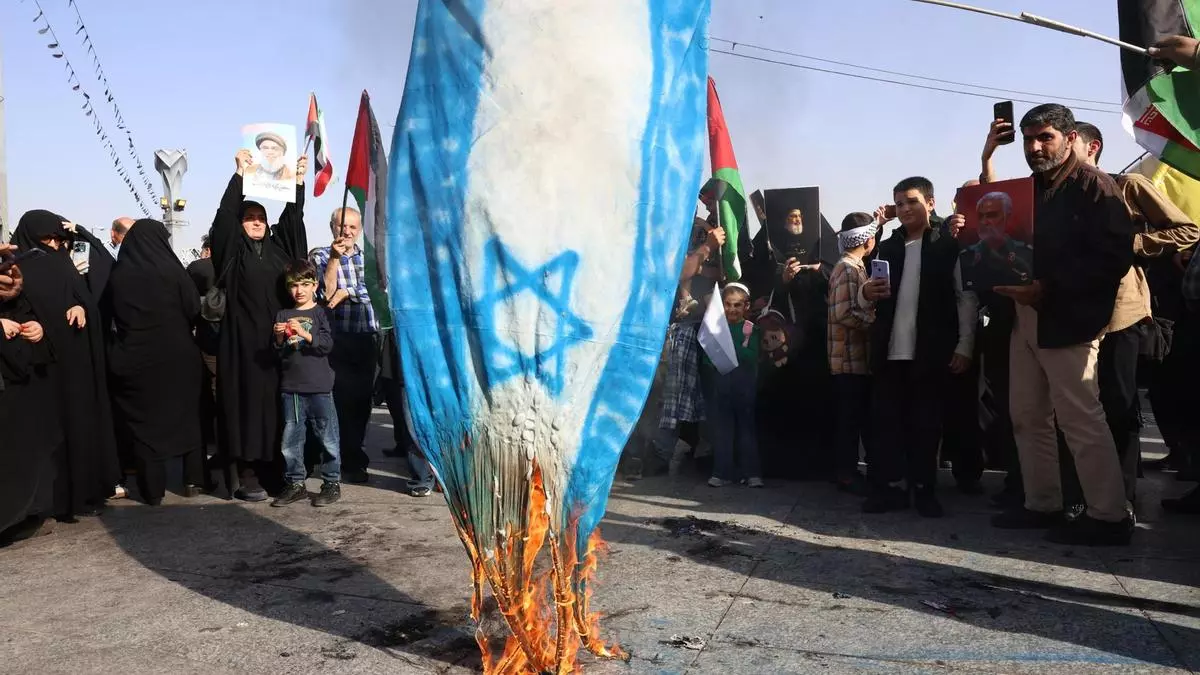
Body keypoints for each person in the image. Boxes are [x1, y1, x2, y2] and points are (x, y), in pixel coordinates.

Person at [990, 103, 1135, 546]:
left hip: (1070, 318)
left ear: (1070, 139)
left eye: (1045, 137)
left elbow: (1113, 257)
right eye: (1029, 138)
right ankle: (1042, 503)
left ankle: (1109, 516)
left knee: (1080, 418)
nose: (1034, 147)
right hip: (1027, 315)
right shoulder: (1030, 189)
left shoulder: (1095, 186)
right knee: (1027, 416)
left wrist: (1049, 288)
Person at [1072, 121, 1200, 510]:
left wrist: (1132, 244)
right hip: (1069, 315)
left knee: (1119, 403)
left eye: (1063, 140)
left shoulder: (1126, 185)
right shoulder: (1051, 197)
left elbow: (1187, 229)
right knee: (1079, 408)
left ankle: (1122, 498)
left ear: (1091, 147)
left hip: (1120, 314)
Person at [861, 177, 977, 518]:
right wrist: (865, 293)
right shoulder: (889, 246)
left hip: (931, 351)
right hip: (889, 352)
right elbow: (869, 294)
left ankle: (925, 489)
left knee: (927, 426)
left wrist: (965, 345)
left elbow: (964, 298)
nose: (905, 209)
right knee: (886, 425)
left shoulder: (947, 245)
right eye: (899, 204)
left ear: (930, 203)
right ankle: (889, 489)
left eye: (912, 201)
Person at [210, 149, 308, 501]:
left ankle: (278, 471)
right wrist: (239, 175)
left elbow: (294, 222)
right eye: (249, 217)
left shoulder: (278, 250)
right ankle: (248, 473)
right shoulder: (233, 253)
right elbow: (222, 220)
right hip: (242, 348)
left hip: (278, 345)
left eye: (260, 218)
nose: (255, 222)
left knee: (279, 409)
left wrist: (297, 183)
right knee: (246, 408)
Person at [10, 210, 121, 520]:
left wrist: (80, 306)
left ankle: (83, 493)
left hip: (76, 364)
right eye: (46, 239)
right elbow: (16, 307)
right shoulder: (16, 267)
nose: (53, 245)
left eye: (57, 239)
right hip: (40, 368)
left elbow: (86, 292)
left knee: (80, 425)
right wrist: (33, 324)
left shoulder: (62, 262)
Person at [103, 219, 205, 505]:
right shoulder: (173, 271)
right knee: (188, 416)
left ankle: (152, 490)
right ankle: (193, 479)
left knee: (144, 424)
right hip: (178, 357)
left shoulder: (119, 275)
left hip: (135, 359)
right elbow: (193, 308)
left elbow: (109, 314)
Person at [310, 208, 380, 484]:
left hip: (365, 337)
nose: (347, 232)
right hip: (336, 339)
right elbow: (324, 293)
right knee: (336, 402)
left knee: (361, 403)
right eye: (342, 227)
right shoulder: (320, 255)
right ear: (332, 229)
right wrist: (335, 262)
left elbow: (377, 290)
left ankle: (354, 457)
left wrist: (349, 292)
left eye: (353, 227)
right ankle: (333, 460)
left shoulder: (369, 259)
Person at [272, 260, 341, 507]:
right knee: (291, 439)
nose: (299, 290)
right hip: (291, 389)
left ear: (314, 285)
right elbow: (279, 352)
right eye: (293, 285)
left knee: (328, 438)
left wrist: (304, 333)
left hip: (319, 387)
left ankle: (331, 482)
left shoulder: (321, 312)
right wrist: (280, 337)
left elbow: (325, 345)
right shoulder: (283, 313)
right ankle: (295, 483)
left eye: (304, 284)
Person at [0, 257, 58, 544]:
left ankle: (21, 517)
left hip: (21, 389)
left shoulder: (18, 298)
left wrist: (36, 329)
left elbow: (28, 318)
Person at [827, 212, 878, 495]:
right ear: (868, 240)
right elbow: (843, 313)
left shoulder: (853, 266)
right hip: (848, 359)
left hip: (854, 359)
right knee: (849, 422)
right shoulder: (848, 268)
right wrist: (874, 324)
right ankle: (846, 475)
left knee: (853, 420)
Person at [701, 283, 763, 488]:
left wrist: (732, 348)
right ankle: (721, 472)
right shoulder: (716, 329)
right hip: (722, 385)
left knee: (746, 430)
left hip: (744, 386)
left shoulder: (751, 329)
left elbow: (752, 355)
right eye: (728, 305)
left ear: (746, 306)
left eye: (737, 305)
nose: (732, 310)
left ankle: (752, 472)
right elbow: (707, 358)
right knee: (723, 431)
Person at [186, 236, 220, 457]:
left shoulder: (198, 267)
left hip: (207, 339)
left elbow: (187, 303)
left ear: (206, 250)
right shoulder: (238, 263)